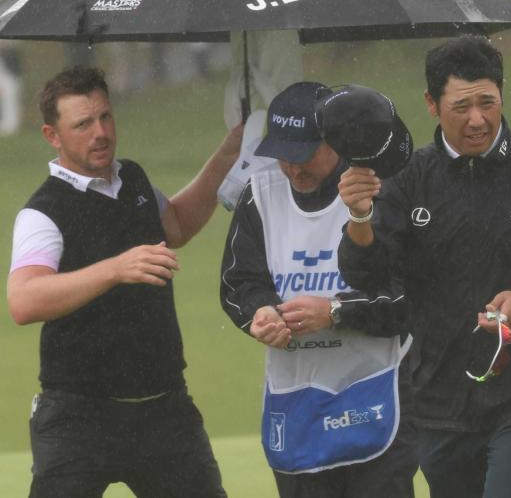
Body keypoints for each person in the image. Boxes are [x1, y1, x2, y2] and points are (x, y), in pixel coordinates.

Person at [336, 35, 511, 498]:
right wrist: (360, 217)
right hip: (440, 401)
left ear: (502, 95)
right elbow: (368, 276)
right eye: (461, 106)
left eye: (488, 102)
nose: (478, 119)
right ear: (431, 104)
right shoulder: (407, 180)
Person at [6, 66, 240, 496]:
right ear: (52, 135)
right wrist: (115, 269)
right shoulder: (43, 212)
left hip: (164, 410)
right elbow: (24, 300)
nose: (100, 133)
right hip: (78, 418)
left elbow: (176, 224)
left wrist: (230, 152)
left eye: (105, 117)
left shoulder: (131, 178)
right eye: (83, 124)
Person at [219, 81, 417, 498]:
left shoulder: (378, 188)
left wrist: (335, 312)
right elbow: (240, 283)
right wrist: (260, 313)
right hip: (297, 403)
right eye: (283, 155)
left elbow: (408, 301)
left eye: (304, 154)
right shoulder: (259, 194)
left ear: (336, 142)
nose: (293, 169)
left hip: (374, 394)